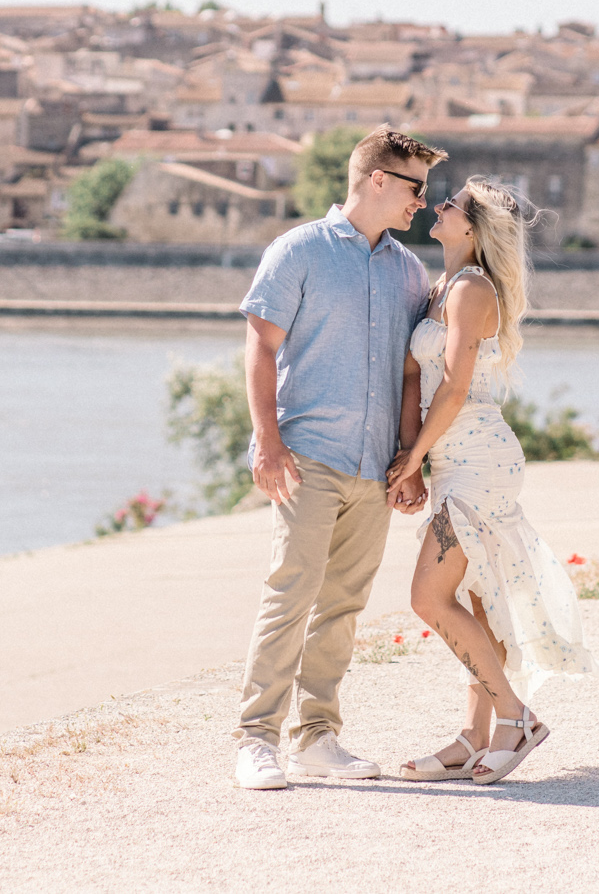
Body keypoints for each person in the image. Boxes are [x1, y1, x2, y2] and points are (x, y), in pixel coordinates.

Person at [231, 125, 447, 791]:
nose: (423, 203)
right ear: (377, 179)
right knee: (290, 594)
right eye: (415, 187)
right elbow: (260, 346)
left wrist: (411, 460)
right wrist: (267, 441)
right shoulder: (298, 250)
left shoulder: (409, 271)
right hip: (308, 455)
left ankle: (318, 736)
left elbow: (413, 375)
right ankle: (255, 739)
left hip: (373, 466)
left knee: (343, 605)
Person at [387, 177, 599, 785]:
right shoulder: (438, 289)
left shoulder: (474, 289)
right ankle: (474, 737)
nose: (437, 206)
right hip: (451, 458)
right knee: (479, 602)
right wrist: (413, 454)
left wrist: (413, 460)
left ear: (475, 227)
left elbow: (453, 387)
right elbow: (412, 381)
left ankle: (517, 717)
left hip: (479, 460)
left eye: (450, 204)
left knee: (428, 598)